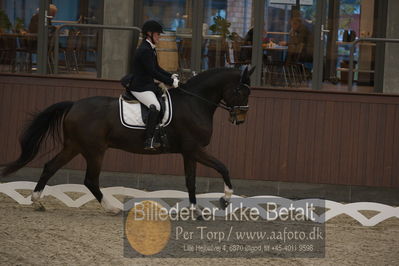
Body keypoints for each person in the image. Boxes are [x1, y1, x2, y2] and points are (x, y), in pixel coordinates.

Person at [129, 20, 179, 150]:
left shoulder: (150, 48)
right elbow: (152, 72)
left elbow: (157, 68)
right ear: (149, 34)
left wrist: (170, 76)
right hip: (140, 87)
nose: (159, 37)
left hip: (147, 85)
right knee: (155, 107)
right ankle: (148, 140)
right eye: (157, 34)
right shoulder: (145, 50)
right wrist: (170, 82)